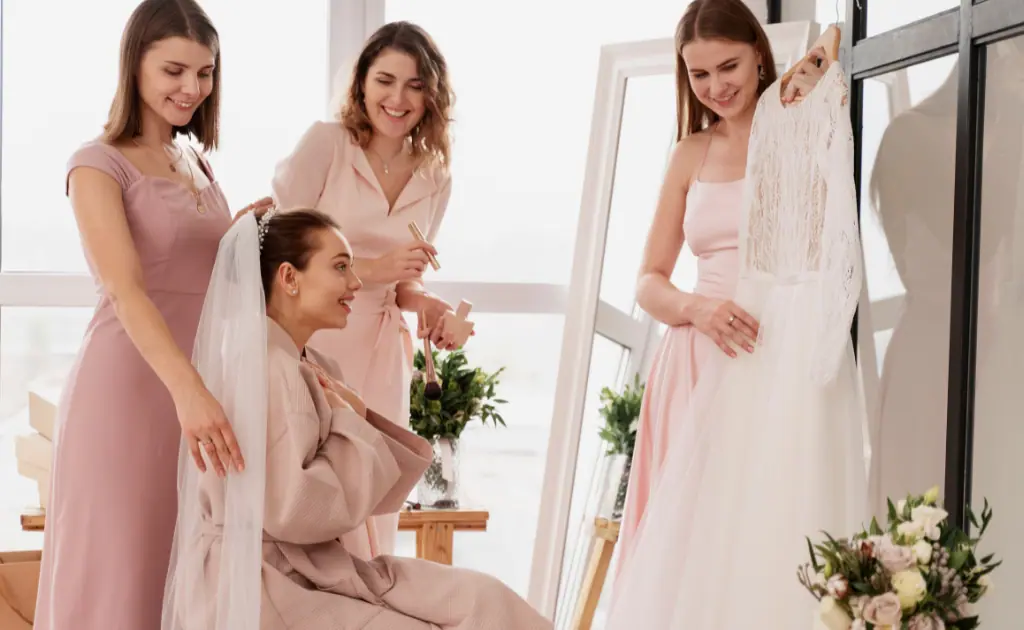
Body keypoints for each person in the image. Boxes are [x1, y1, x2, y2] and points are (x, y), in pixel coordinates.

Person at [159, 208, 551, 630]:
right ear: (289, 278)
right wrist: (356, 419)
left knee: (483, 599)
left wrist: (356, 417)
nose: (357, 282)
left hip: (307, 567)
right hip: (268, 583)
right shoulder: (271, 369)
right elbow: (296, 508)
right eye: (340, 267)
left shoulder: (309, 362)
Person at [34, 1, 271, 628]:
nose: (191, 88)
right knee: (120, 576)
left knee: (179, 574)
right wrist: (188, 391)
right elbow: (127, 289)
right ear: (134, 64)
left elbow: (203, 275)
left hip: (199, 393)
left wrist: (245, 228)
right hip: (132, 391)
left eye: (206, 72)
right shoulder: (97, 162)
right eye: (174, 70)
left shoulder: (196, 160)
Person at [614, 0, 831, 579]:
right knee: (686, 543)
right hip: (695, 360)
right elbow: (647, 281)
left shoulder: (803, 138)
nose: (715, 86)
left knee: (764, 530)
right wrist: (698, 309)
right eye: (699, 74)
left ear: (759, 55)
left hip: (778, 353)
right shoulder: (689, 154)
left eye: (727, 67)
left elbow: (824, 253)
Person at [270, 21, 460, 559]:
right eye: (385, 80)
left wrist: (423, 302)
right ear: (361, 84)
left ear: (432, 95)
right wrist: (373, 269)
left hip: (381, 348)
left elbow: (407, 278)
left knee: (376, 487)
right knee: (323, 483)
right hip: (315, 341)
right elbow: (278, 249)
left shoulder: (435, 174)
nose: (397, 98)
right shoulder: (327, 144)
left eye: (415, 85)